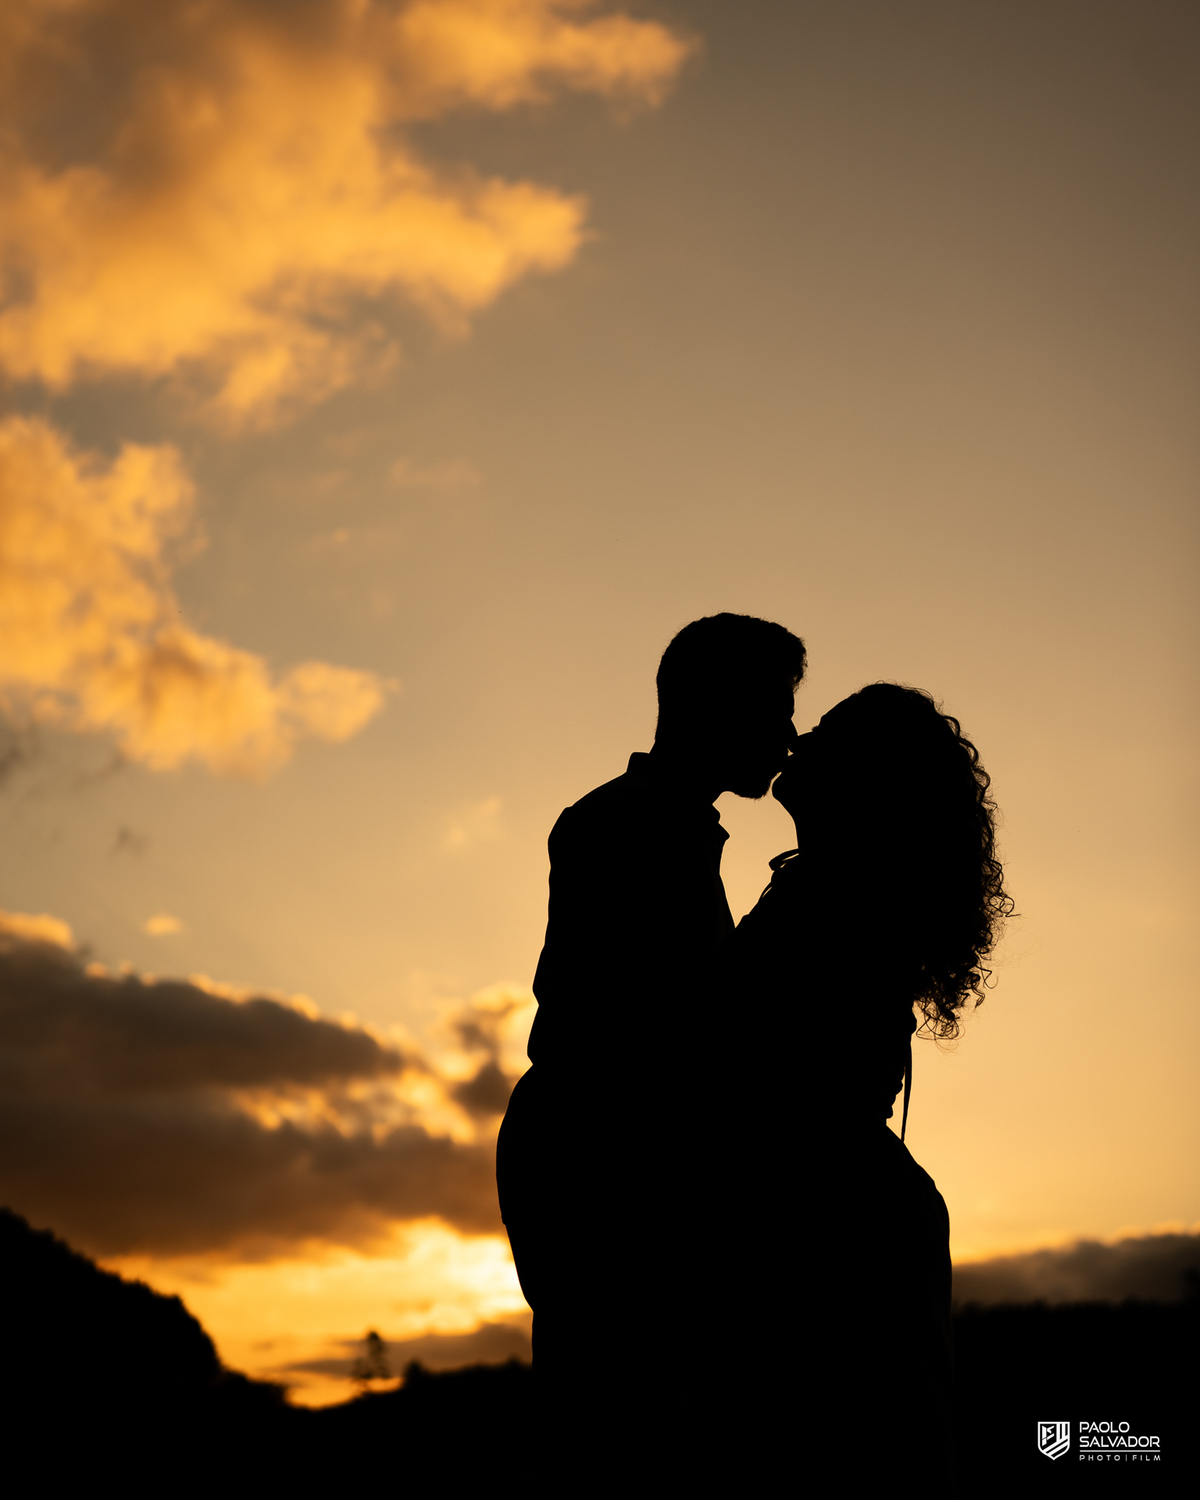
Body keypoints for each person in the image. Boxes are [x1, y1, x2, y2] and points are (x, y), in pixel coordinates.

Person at [497, 612, 807, 1474]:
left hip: (605, 1166)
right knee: (617, 1442)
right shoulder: (625, 827)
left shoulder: (664, 828)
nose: (786, 735)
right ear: (717, 705)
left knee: (632, 1437)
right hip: (602, 1173)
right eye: (775, 710)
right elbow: (657, 1024)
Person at [732, 682, 1013, 1492]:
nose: (799, 741)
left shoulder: (842, 900)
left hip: (834, 1226)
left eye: (825, 733)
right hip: (841, 1211)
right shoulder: (829, 889)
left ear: (864, 782)